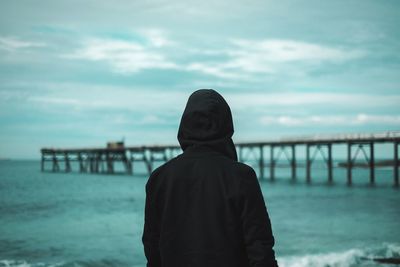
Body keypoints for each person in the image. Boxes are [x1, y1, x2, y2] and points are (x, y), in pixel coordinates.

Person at [142, 89, 278, 267]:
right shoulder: (241, 177)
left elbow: (152, 250)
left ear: (185, 125)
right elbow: (261, 251)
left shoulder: (159, 179)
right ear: (226, 125)